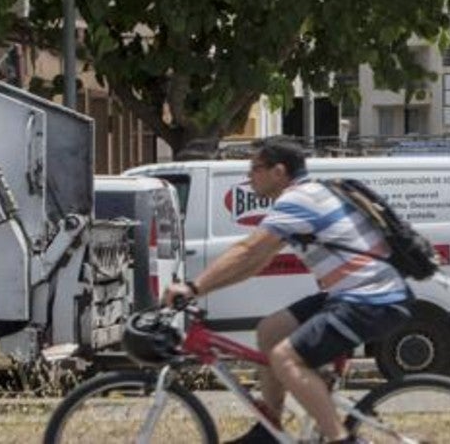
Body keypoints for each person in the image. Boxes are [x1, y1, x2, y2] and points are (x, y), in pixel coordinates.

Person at [163, 140, 412, 444]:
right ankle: (269, 429)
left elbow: (248, 249)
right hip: (353, 293)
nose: (249, 176)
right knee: (271, 331)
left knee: (285, 358)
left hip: (370, 297)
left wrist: (191, 287)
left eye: (255, 168)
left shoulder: (298, 200)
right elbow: (255, 261)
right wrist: (201, 290)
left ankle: (340, 439)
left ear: (278, 171)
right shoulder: (308, 195)